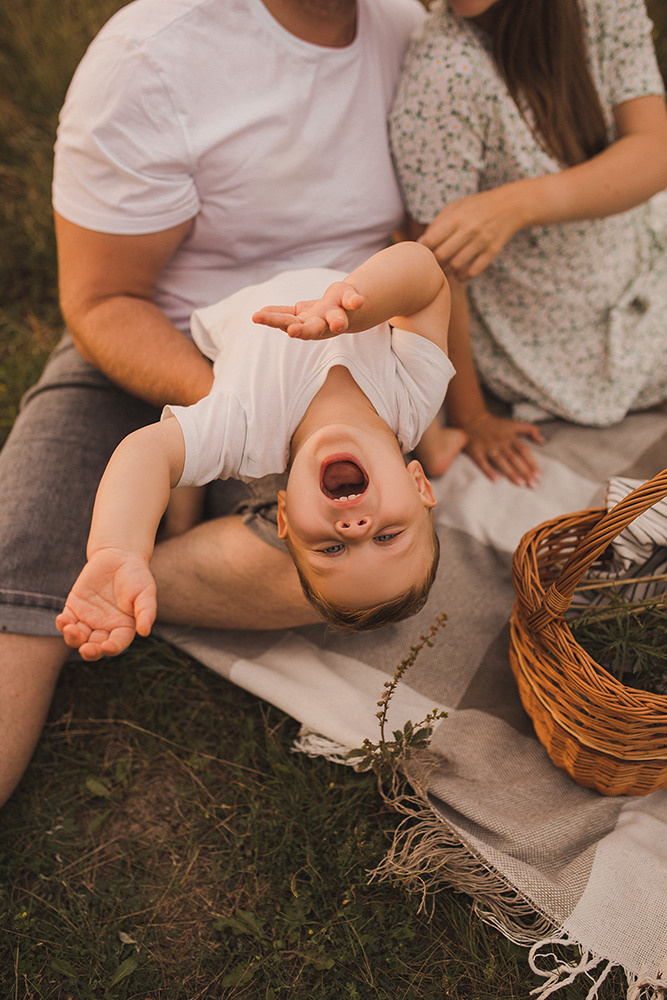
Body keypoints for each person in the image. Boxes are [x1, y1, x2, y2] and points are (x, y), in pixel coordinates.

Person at [0, 0, 428, 807]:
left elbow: (422, 256)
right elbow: (101, 302)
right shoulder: (150, 59)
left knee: (350, 581)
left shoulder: (407, 31)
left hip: (310, 396)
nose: (361, 520)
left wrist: (273, 434)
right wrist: (242, 412)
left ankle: (117, 574)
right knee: (24, 543)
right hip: (155, 340)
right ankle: (75, 571)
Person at [56, 241, 459, 659]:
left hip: (233, 297)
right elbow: (425, 275)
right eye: (388, 536)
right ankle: (184, 518)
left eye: (331, 550)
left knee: (188, 440)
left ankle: (181, 522)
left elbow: (148, 453)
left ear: (283, 515)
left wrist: (118, 548)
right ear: (420, 487)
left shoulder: (244, 429)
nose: (354, 529)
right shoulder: (415, 394)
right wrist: (355, 301)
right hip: (346, 257)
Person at [389, 0, 667, 488]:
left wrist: (515, 204)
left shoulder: (602, 8)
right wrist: (471, 416)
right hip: (556, 332)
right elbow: (439, 267)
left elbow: (654, 148)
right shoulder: (445, 74)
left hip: (644, 256)